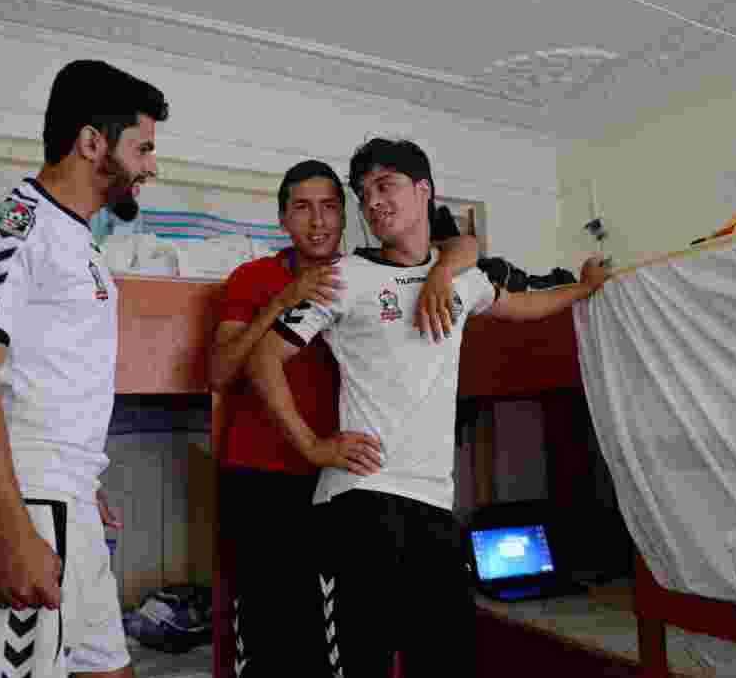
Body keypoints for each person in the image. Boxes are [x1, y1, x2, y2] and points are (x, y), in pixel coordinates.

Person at [244, 137, 610, 677]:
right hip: (360, 501)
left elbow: (526, 305)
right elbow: (263, 359)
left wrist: (583, 289)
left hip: (435, 507)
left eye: (385, 186)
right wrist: (312, 445)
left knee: (446, 661)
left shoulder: (465, 276)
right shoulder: (344, 276)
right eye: (365, 194)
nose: (373, 203)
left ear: (423, 191)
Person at [0, 59, 168, 678]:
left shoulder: (77, 241)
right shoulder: (15, 226)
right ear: (93, 142)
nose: (150, 166)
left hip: (63, 500)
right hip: (24, 505)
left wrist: (83, 476)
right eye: (142, 148)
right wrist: (11, 531)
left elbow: (46, 374)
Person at [207, 158, 480, 676]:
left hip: (334, 481)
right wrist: (283, 300)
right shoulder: (255, 276)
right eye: (303, 208)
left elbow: (464, 246)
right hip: (263, 475)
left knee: (326, 639)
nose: (318, 221)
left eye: (331, 207)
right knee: (267, 632)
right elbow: (220, 372)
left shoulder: (361, 272)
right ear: (283, 218)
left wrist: (445, 269)